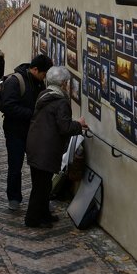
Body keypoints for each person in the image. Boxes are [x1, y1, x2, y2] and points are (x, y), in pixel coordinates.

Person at [25, 66, 88, 228]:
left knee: (42, 184)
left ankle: (44, 214)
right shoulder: (60, 102)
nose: (68, 85)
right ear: (63, 83)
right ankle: (33, 219)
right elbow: (65, 127)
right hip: (45, 149)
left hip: (36, 144)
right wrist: (79, 124)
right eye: (67, 82)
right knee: (41, 186)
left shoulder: (45, 94)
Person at [0, 54, 53, 211]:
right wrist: (32, 114)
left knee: (38, 167)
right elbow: (6, 106)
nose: (44, 78)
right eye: (43, 74)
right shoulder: (15, 81)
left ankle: (40, 199)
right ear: (35, 69)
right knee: (15, 165)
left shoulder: (39, 83)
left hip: (34, 132)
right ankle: (14, 197)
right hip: (15, 131)